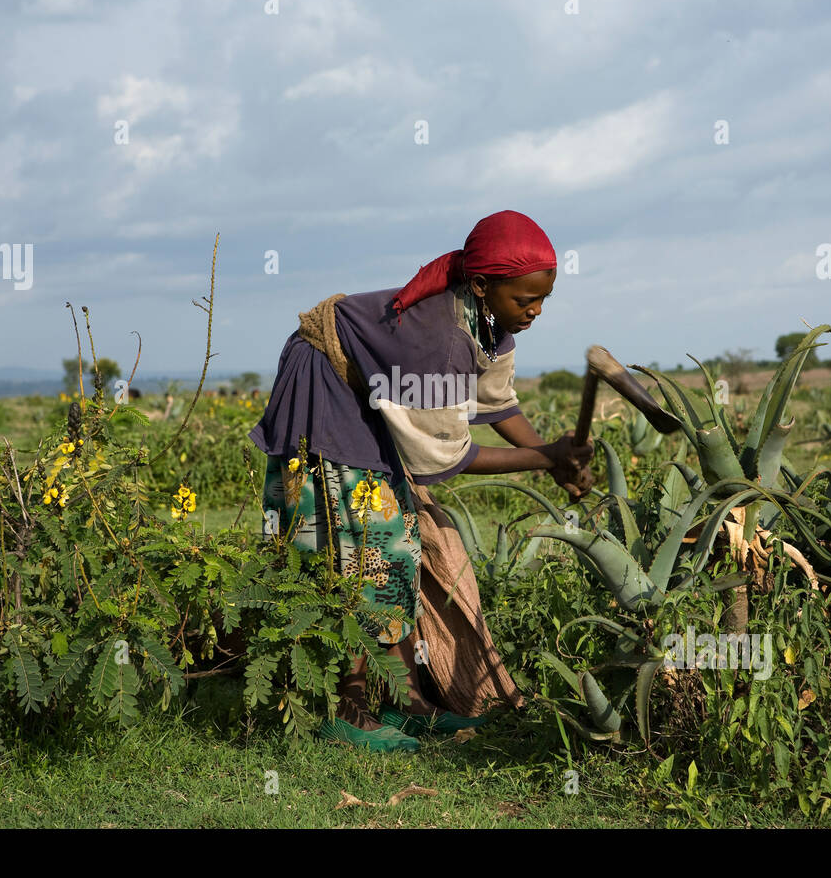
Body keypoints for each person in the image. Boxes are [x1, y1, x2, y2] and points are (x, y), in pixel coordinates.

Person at [248, 210, 594, 752]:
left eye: (543, 299)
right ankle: (351, 709)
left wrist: (555, 460)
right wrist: (546, 458)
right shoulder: (440, 343)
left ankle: (407, 701)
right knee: (364, 543)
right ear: (481, 285)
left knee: (402, 543)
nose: (535, 311)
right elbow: (444, 459)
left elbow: (497, 402)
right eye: (524, 300)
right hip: (325, 387)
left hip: (368, 392)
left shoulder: (489, 325)